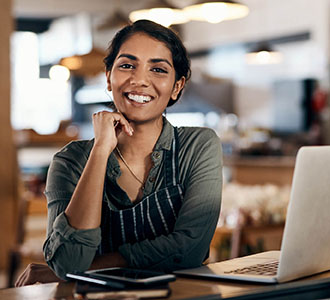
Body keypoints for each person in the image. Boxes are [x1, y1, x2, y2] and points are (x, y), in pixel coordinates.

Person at [15, 19, 222, 286]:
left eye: (158, 69)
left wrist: (92, 268)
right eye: (127, 65)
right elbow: (68, 261)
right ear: (109, 78)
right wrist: (100, 151)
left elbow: (189, 249)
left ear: (177, 87)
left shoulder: (198, 145)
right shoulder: (70, 161)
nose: (139, 80)